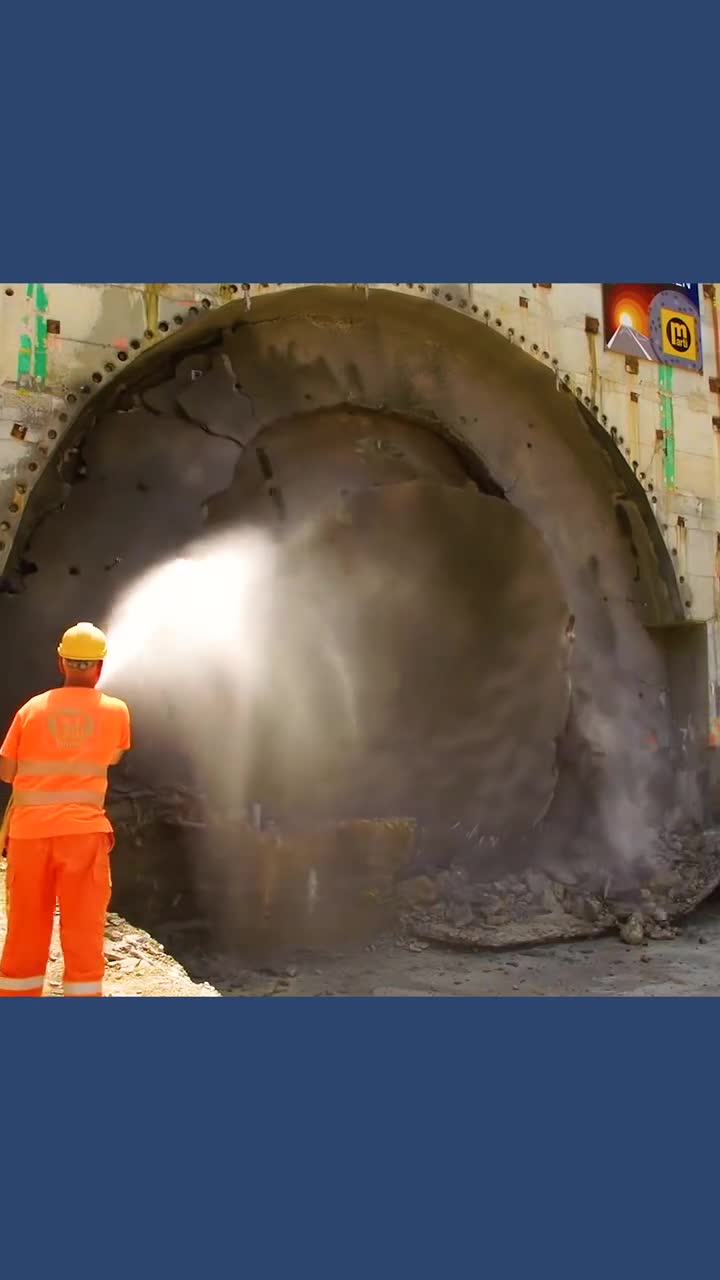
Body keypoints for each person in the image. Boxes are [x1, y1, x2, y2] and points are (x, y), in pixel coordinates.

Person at [0, 622, 130, 997]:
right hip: (83, 837)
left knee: (25, 929)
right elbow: (113, 756)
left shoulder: (31, 709)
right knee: (83, 929)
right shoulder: (116, 711)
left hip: (28, 836)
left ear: (61, 663)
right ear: (99, 667)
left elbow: (7, 772)